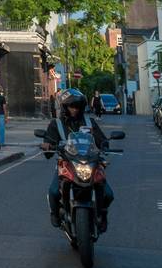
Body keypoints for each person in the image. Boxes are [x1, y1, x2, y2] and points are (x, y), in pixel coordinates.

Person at [40, 87, 115, 231]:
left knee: (108, 194)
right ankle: (56, 214)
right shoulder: (56, 124)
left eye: (77, 106)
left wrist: (105, 145)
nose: (74, 109)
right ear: (64, 107)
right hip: (67, 163)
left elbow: (102, 140)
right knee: (54, 191)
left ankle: (102, 214)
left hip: (91, 162)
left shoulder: (89, 122)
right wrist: (47, 145)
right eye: (71, 106)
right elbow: (48, 146)